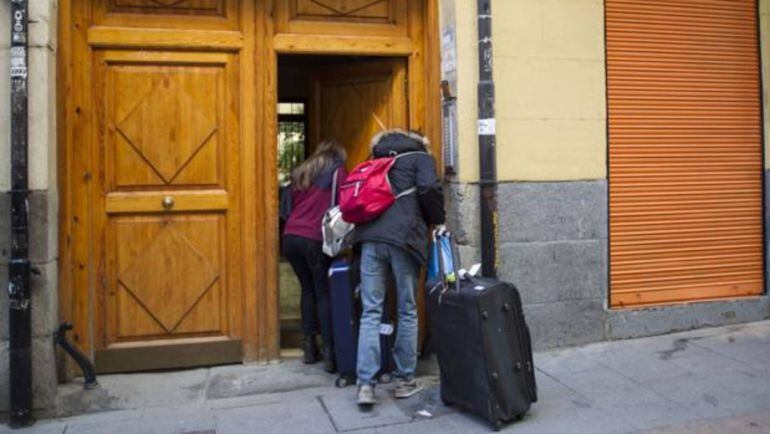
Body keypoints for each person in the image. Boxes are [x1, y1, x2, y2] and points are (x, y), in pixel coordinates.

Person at [353, 129, 445, 406]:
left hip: (370, 238)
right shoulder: (421, 157)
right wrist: (438, 220)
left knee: (371, 311)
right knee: (406, 308)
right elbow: (429, 188)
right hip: (404, 239)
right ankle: (404, 381)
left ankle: (365, 386)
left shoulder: (376, 157)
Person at [282, 139, 347, 373]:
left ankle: (309, 348)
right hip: (314, 238)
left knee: (307, 290)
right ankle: (330, 352)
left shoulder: (301, 172)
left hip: (291, 236)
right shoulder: (337, 171)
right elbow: (344, 203)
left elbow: (287, 205)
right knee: (322, 291)